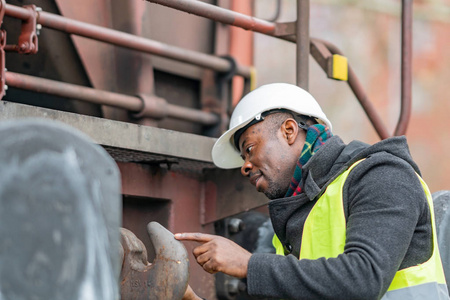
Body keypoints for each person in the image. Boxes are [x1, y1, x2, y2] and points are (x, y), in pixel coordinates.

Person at [176, 83, 449, 300]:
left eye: (249, 149)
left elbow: (365, 278)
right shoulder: (299, 215)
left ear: (289, 131)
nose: (245, 167)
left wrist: (248, 264)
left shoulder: (382, 175)